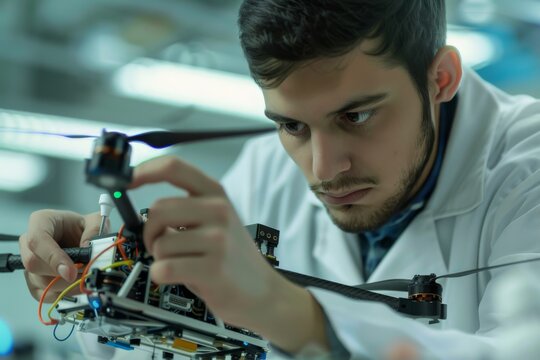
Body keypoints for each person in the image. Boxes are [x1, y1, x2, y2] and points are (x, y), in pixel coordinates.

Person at [18, 0, 540, 359]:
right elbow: (186, 339)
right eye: (292, 125)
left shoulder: (527, 170)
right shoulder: (264, 170)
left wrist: (289, 312)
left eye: (355, 116)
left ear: (440, 78)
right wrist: (105, 272)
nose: (322, 169)